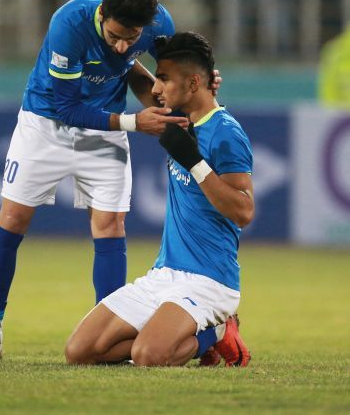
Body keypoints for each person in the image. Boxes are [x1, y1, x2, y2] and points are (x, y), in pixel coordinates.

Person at [0, 0, 222, 362]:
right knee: (13, 219)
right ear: (102, 13)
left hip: (105, 131)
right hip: (46, 125)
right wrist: (135, 122)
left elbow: (167, 78)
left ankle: (109, 340)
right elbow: (68, 108)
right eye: (115, 36)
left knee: (110, 225)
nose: (122, 46)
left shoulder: (158, 24)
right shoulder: (69, 24)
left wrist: (199, 84)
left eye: (131, 39)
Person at [64, 31, 253, 367]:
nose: (156, 89)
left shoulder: (226, 132)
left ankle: (218, 331)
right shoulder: (175, 118)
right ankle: (169, 333)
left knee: (148, 356)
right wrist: (119, 48)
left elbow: (243, 211)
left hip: (210, 280)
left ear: (193, 83)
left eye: (164, 79)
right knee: (80, 352)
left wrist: (194, 162)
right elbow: (137, 78)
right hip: (164, 274)